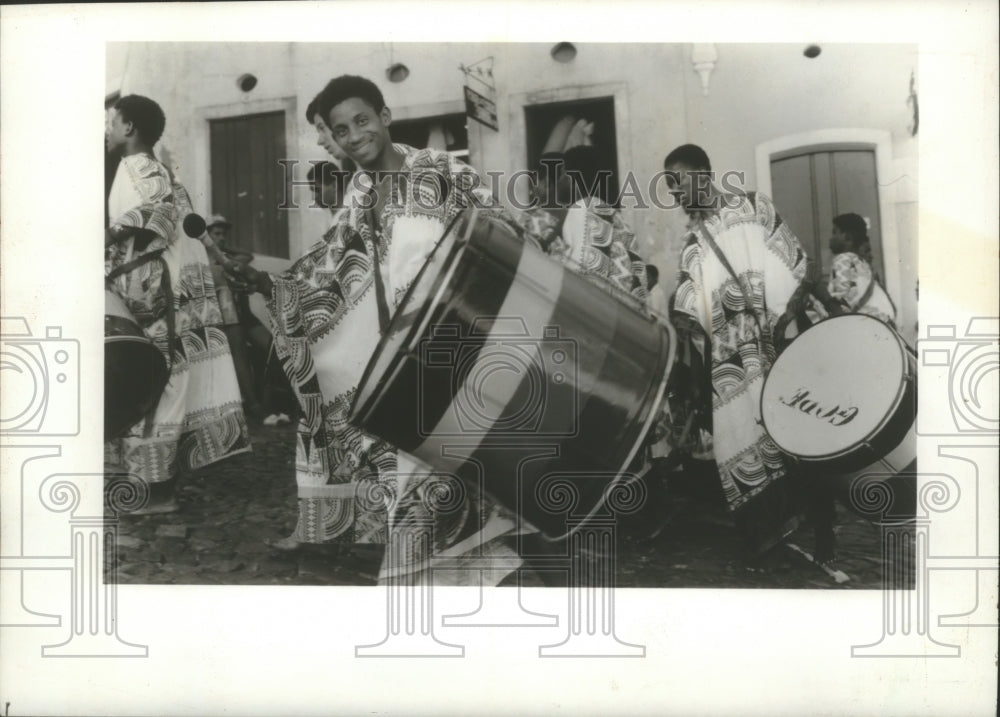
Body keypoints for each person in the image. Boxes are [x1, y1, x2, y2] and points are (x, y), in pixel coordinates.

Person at [227, 75, 525, 584]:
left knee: (441, 485)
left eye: (362, 121)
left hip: (452, 350)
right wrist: (273, 286)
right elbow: (333, 269)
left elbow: (505, 235)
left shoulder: (439, 171)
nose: (353, 135)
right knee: (420, 485)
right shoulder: (359, 193)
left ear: (385, 117)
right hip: (398, 362)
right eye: (341, 130)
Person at [662, 143, 813, 555]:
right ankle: (765, 534)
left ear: (704, 173)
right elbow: (689, 313)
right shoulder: (693, 246)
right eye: (669, 185)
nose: (675, 192)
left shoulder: (752, 207)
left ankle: (806, 524)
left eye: (679, 180)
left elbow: (796, 262)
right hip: (729, 365)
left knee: (786, 432)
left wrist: (783, 327)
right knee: (741, 440)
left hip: (771, 346)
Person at [105, 95, 250, 513]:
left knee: (160, 381)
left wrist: (108, 236)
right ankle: (151, 485)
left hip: (157, 292)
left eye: (113, 122)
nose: (108, 128)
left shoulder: (145, 167)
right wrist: (221, 259)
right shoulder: (148, 169)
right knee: (155, 380)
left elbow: (163, 214)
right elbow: (193, 225)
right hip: (150, 288)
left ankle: (158, 490)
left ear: (129, 127)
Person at [827, 212, 897, 326]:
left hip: (867, 323)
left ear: (848, 238)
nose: (831, 238)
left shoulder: (842, 259)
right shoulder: (862, 263)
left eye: (835, 232)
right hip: (883, 320)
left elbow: (840, 300)